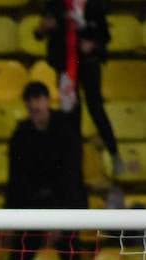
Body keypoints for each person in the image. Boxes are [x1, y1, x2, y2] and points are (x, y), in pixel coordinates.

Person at [5, 81, 85, 260]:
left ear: (48, 101)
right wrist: (9, 216)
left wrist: (59, 217)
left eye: (38, 99)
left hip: (64, 206)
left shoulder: (66, 132)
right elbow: (15, 180)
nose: (34, 105)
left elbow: (71, 178)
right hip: (30, 206)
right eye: (29, 101)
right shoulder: (20, 135)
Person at [34, 0, 121, 174]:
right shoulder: (55, 4)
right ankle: (74, 168)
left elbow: (105, 36)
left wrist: (92, 45)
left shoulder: (94, 5)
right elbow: (39, 34)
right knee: (71, 115)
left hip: (89, 65)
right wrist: (43, 28)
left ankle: (114, 154)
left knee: (96, 109)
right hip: (65, 66)